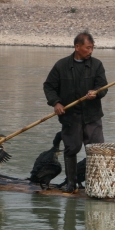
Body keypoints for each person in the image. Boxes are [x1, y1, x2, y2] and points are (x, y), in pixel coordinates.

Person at [43, 31, 108, 193]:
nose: (91, 51)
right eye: (88, 48)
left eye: (92, 48)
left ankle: (98, 185)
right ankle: (71, 184)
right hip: (70, 117)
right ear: (77, 47)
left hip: (92, 116)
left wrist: (96, 92)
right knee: (71, 148)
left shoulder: (97, 65)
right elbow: (49, 86)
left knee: (97, 150)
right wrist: (56, 103)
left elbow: (103, 87)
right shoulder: (61, 66)